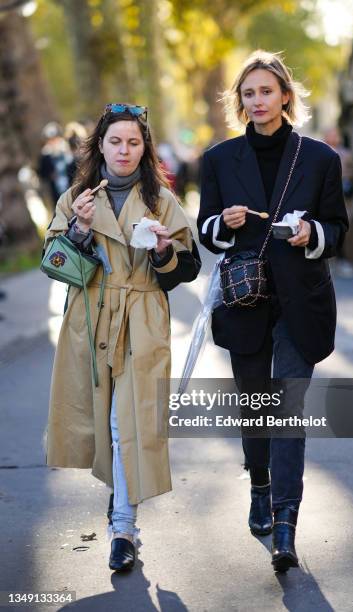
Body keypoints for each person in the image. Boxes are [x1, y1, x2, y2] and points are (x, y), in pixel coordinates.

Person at [197, 50, 348, 573]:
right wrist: (226, 221)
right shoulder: (217, 160)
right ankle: (259, 485)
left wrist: (313, 234)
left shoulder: (321, 159)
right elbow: (205, 232)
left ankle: (286, 521)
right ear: (239, 101)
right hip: (246, 302)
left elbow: (339, 232)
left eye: (266, 91)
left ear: (286, 96)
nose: (257, 100)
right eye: (248, 93)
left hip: (301, 304)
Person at [43, 103, 201, 572]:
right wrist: (79, 230)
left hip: (143, 317)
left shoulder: (162, 202)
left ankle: (123, 528)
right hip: (90, 320)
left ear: (144, 148)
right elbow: (54, 265)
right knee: (100, 422)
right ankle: (119, 507)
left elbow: (187, 270)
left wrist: (164, 250)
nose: (124, 150)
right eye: (116, 141)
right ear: (101, 146)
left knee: (126, 422)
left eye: (134, 142)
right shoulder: (76, 199)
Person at [324, 126, 353, 278]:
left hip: (344, 197)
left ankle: (345, 261)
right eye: (330, 134)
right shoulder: (320, 151)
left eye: (335, 134)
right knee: (326, 226)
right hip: (325, 196)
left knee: (346, 227)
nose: (333, 137)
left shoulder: (347, 154)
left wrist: (348, 181)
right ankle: (329, 262)